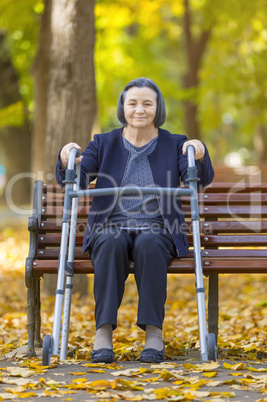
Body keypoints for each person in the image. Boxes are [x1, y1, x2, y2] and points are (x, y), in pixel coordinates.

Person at [56, 77, 214, 364]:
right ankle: (103, 332)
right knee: (110, 241)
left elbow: (200, 179)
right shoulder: (103, 143)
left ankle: (154, 333)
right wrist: (67, 157)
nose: (139, 109)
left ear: (157, 108)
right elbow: (76, 178)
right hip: (112, 225)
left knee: (150, 243)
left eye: (147, 103)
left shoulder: (175, 143)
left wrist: (198, 154)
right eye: (132, 103)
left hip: (158, 227)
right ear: (123, 107)